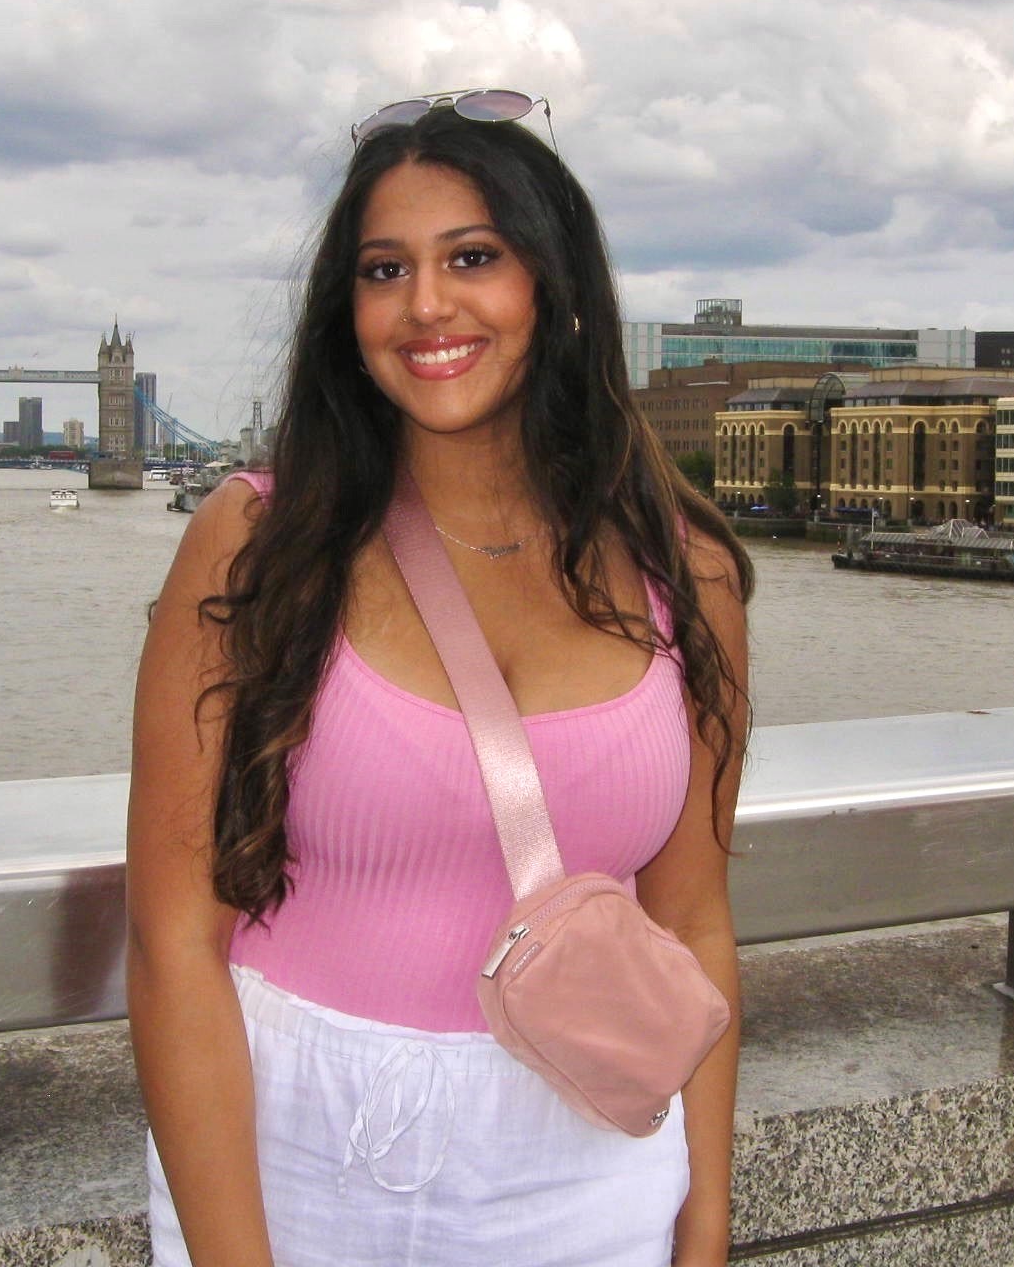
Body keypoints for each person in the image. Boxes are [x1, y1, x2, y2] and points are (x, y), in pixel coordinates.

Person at [127, 90, 754, 1267]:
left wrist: (704, 1221)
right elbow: (172, 944)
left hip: (594, 1167)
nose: (425, 305)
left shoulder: (688, 570)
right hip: (294, 1158)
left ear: (555, 289)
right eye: (383, 270)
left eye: (472, 257)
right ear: (345, 312)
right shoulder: (256, 547)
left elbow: (691, 920)